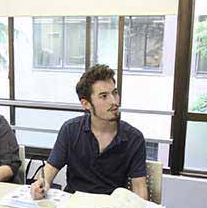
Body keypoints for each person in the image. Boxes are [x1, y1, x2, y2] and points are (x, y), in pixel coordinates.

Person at [31, 64, 148, 199]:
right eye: (104, 96)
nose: (114, 101)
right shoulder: (70, 130)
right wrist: (40, 184)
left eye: (114, 93)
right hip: (73, 206)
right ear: (86, 104)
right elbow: (48, 172)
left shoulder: (134, 138)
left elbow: (140, 188)